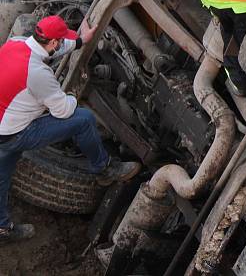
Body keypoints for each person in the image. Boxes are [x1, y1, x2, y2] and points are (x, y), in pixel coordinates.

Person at [0, 16, 141, 244]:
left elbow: (49, 51)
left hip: (2, 125)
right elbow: (63, 111)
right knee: (83, 119)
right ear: (53, 42)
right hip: (16, 134)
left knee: (1, 178)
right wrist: (75, 96)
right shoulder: (38, 74)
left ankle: (2, 229)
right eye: (61, 40)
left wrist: (79, 40)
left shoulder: (16, 42)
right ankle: (104, 169)